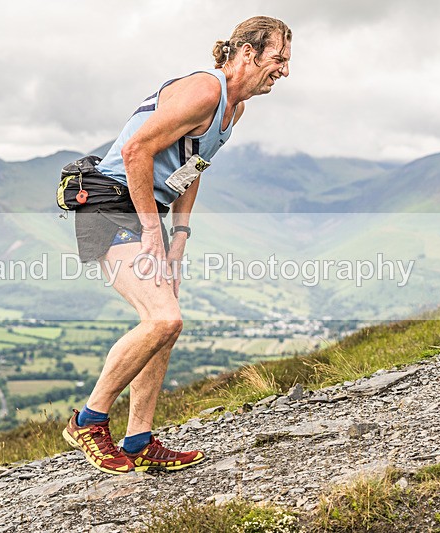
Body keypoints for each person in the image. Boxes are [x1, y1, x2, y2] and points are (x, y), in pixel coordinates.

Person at [63, 15, 292, 475]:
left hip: (144, 209)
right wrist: (153, 230)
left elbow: (193, 168)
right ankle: (88, 421)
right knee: (164, 317)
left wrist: (179, 235)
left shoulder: (234, 110)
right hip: (110, 202)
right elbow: (134, 152)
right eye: (279, 58)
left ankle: (139, 439)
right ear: (247, 53)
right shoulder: (205, 90)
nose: (284, 71)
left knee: (165, 325)